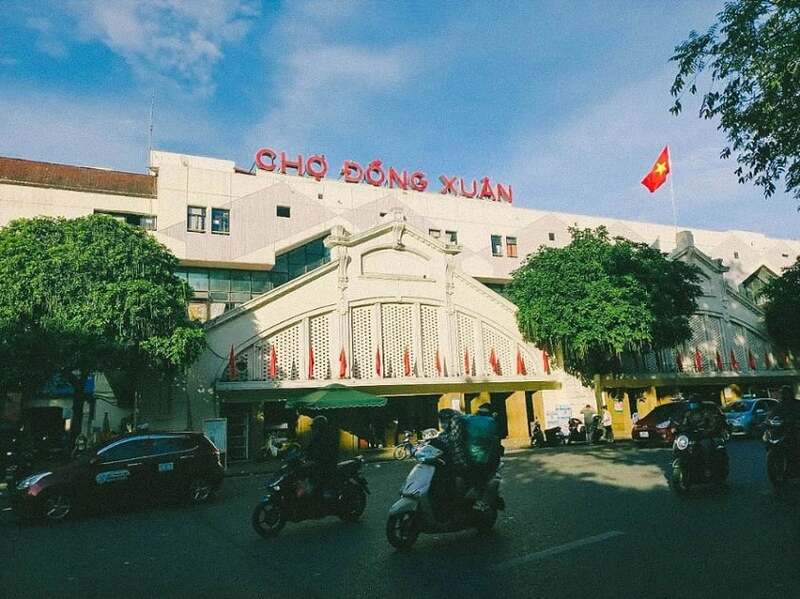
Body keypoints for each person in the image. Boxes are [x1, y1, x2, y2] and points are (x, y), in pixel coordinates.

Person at [465, 404, 502, 508]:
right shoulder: (491, 422)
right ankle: (480, 501)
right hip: (484, 458)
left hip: (467, 457)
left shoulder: (469, 419)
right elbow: (496, 440)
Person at [304, 415, 339, 499]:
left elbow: (328, 452)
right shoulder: (317, 436)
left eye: (315, 427)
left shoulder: (328, 436)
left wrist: (316, 459)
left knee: (320, 479)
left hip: (326, 464)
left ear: (320, 427)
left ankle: (325, 498)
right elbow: (310, 448)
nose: (313, 429)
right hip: (318, 462)